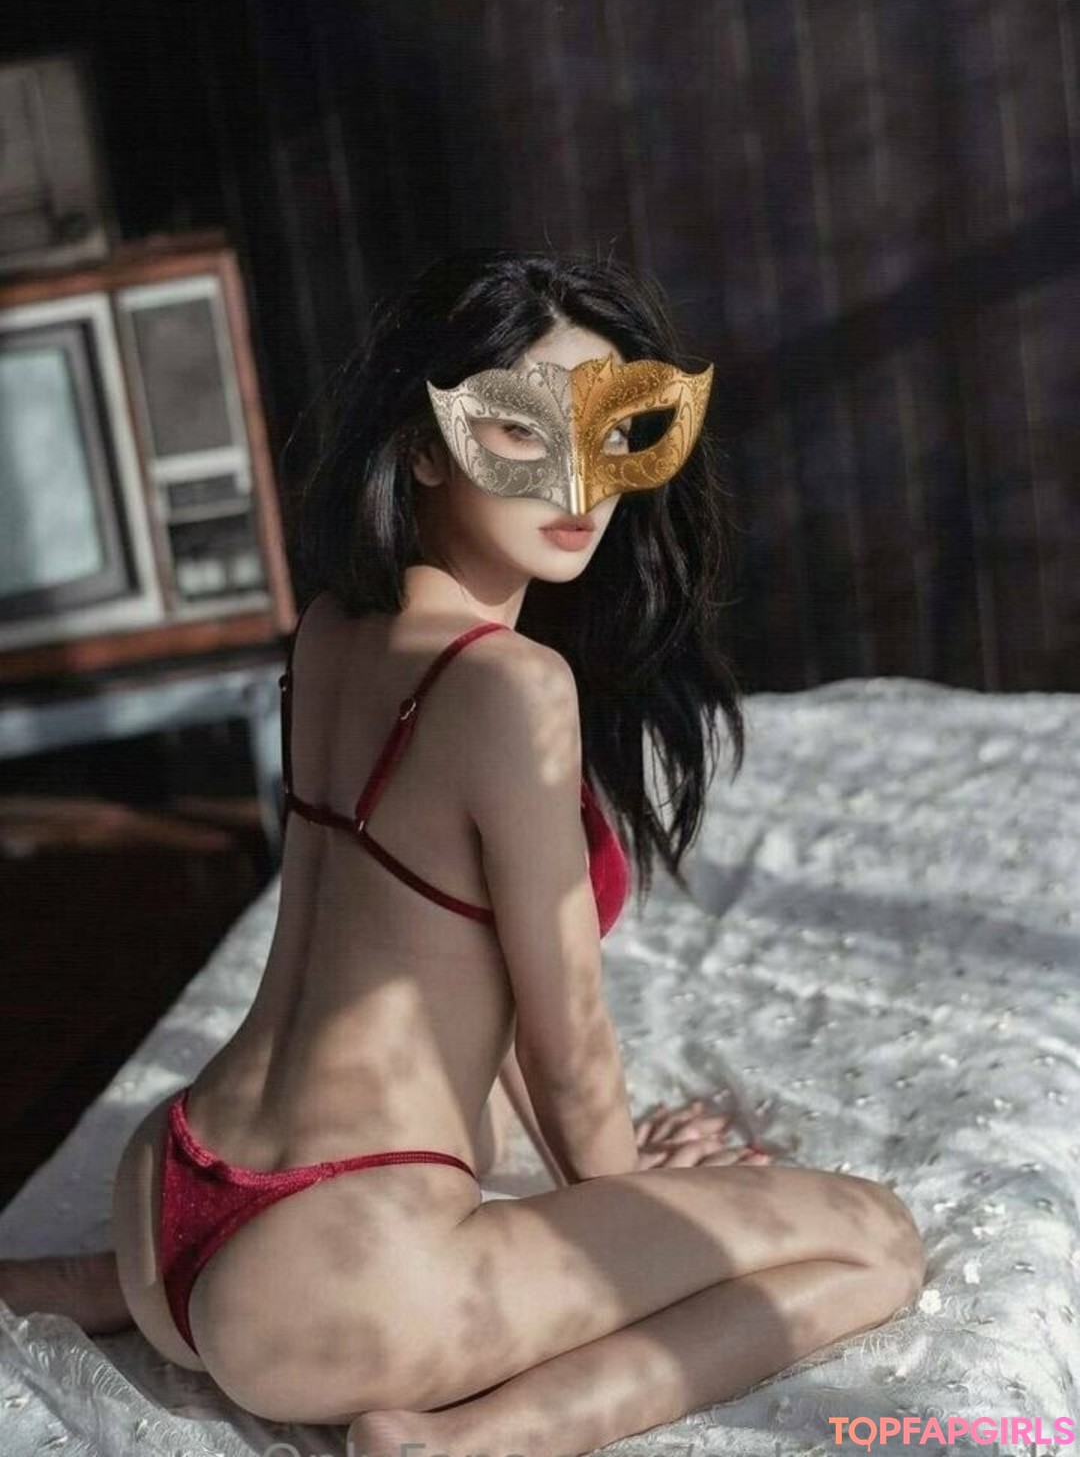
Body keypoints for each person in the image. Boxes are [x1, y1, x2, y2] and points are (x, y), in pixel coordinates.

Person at [1, 249, 925, 1457]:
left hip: (169, 1193)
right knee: (875, 1241)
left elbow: (451, 972)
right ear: (426, 445)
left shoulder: (332, 628)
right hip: (326, 1281)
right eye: (523, 430)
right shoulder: (511, 688)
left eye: (611, 433)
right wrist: (636, 1204)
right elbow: (564, 1038)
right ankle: (471, 1441)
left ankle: (103, 1289)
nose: (578, 481)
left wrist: (602, 1183)